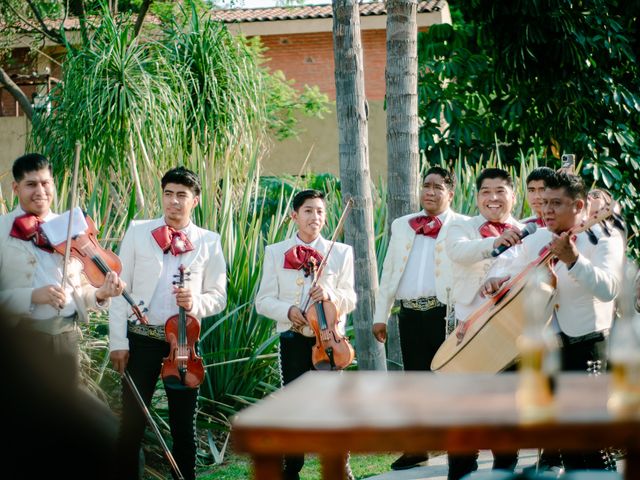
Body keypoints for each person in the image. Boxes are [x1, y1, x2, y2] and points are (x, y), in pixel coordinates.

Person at [482, 171, 625, 471]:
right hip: (550, 349)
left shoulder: (605, 237)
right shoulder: (540, 238)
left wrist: (574, 260)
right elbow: (514, 268)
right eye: (544, 202)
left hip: (588, 346)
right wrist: (496, 281)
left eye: (556, 203)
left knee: (591, 443)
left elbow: (609, 288)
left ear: (578, 206)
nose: (546, 210)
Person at [109, 166, 227, 480]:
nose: (173, 201)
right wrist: (118, 342)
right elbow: (120, 289)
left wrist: (196, 302)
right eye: (168, 194)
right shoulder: (138, 232)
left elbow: (219, 296)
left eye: (182, 195)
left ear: (195, 200)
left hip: (185, 345)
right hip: (141, 339)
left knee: (183, 428)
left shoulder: (209, 241)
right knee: (131, 424)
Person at [255, 189, 357, 480]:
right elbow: (262, 301)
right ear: (294, 215)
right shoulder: (275, 252)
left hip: (328, 343)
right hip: (293, 339)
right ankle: (292, 468)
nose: (316, 217)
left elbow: (351, 298)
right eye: (309, 211)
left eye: (320, 211)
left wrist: (330, 294)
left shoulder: (340, 252)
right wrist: (288, 311)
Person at [0, 152, 124, 391]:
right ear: (16, 188)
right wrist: (32, 296)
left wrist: (100, 294)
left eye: (45, 183)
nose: (40, 191)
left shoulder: (73, 227)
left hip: (66, 335)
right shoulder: (2, 229)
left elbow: (83, 290)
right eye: (31, 184)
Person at [371, 166, 467, 471]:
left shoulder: (463, 226)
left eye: (438, 187)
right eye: (427, 185)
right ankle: (417, 449)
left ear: (450, 193)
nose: (430, 191)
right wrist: (380, 315)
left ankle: (458, 449)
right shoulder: (402, 225)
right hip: (410, 314)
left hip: (446, 316)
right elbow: (388, 272)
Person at [444, 167, 524, 480]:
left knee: (507, 415)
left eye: (500, 191)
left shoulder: (528, 231)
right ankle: (461, 475)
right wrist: (496, 243)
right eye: (486, 191)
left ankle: (504, 474)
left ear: (513, 196)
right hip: (468, 335)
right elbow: (458, 252)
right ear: (477, 197)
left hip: (509, 339)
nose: (493, 198)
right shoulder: (460, 227)